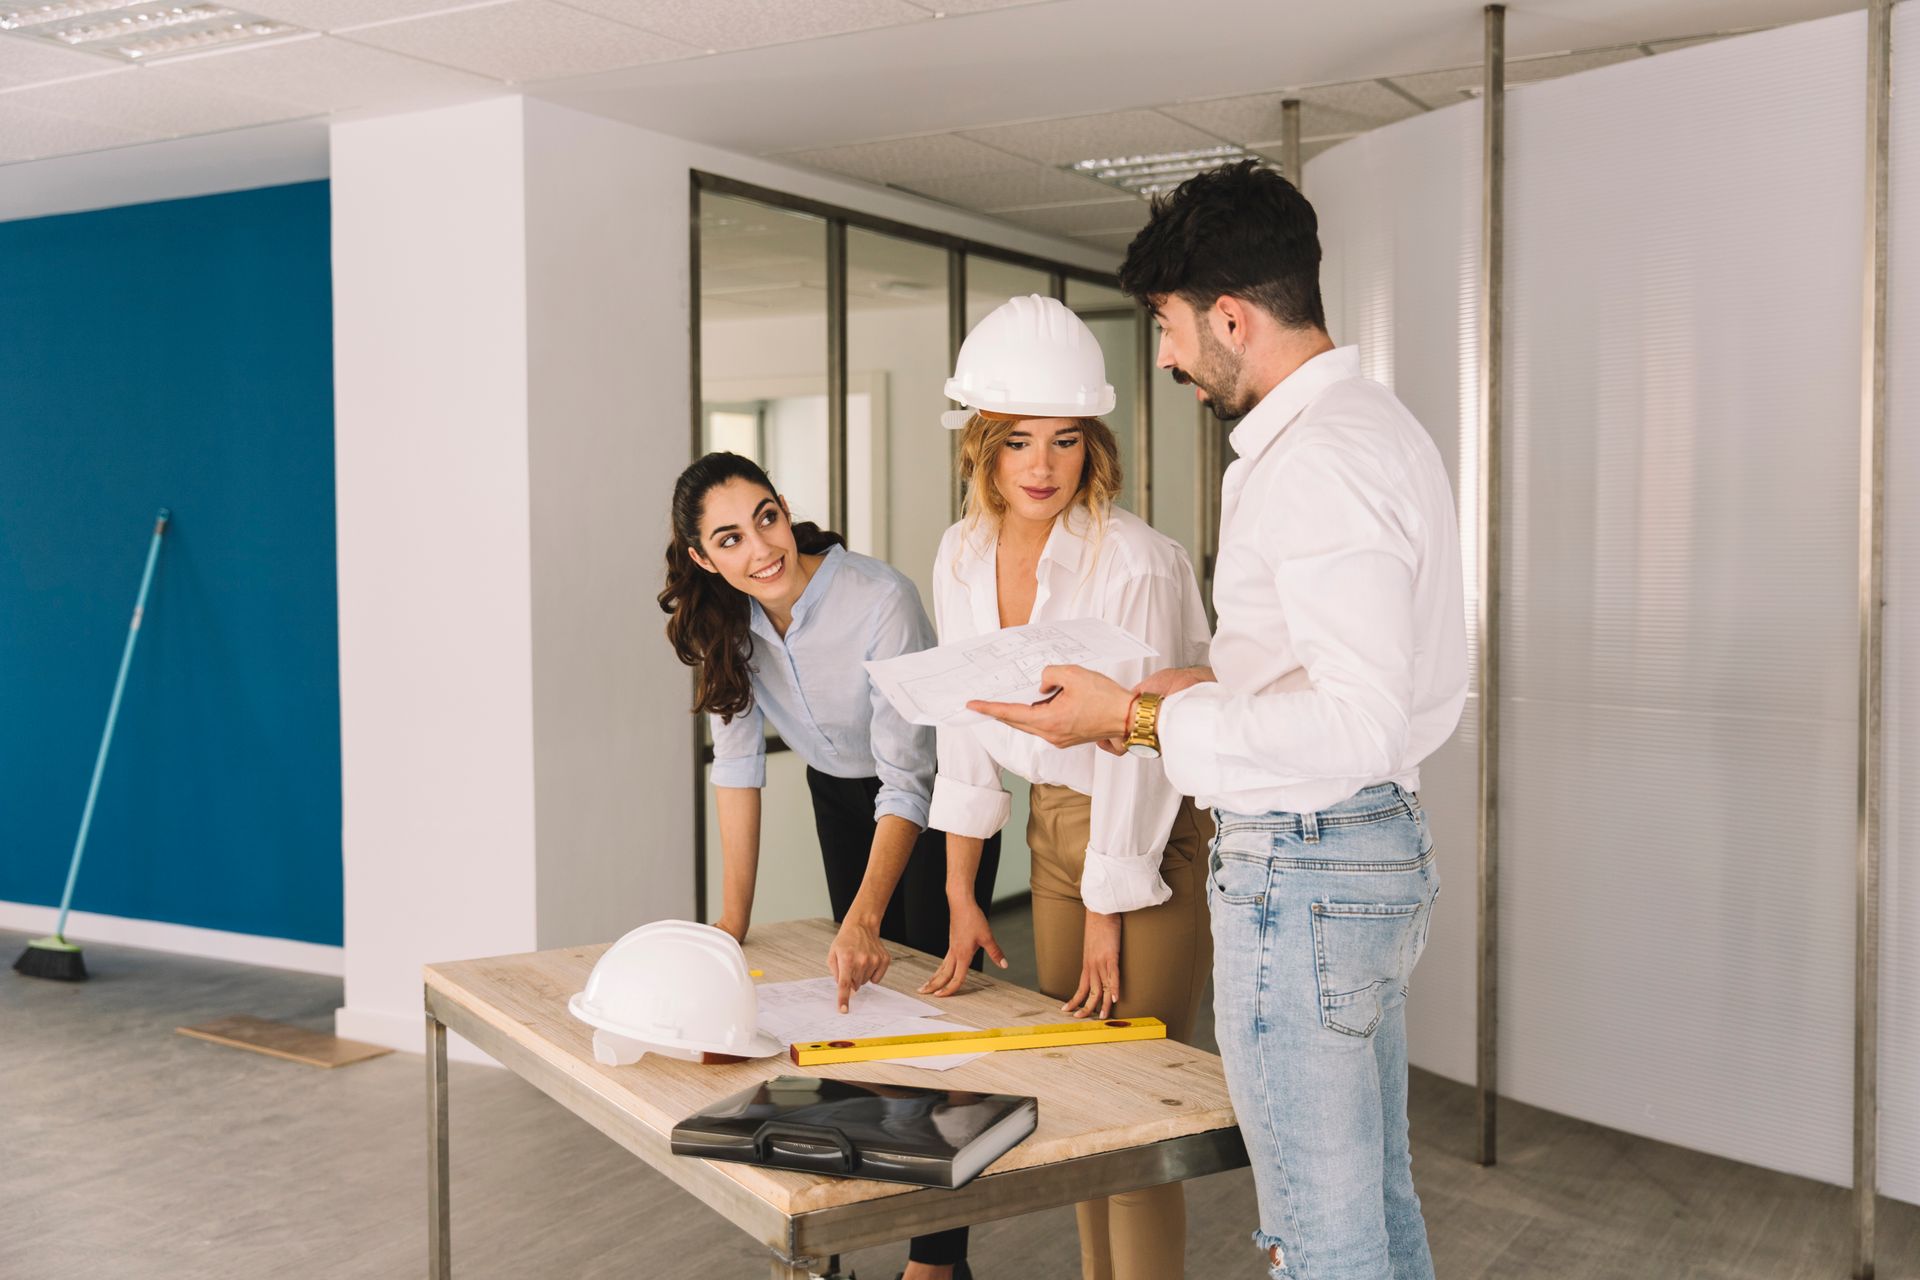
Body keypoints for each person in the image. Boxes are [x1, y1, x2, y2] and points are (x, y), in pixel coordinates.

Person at [966, 163, 1468, 1280]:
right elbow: (1324, 680)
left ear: (1231, 315)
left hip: (1308, 864)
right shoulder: (1365, 426)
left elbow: (1357, 716)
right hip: (1359, 851)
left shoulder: (1318, 461)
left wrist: (1140, 719)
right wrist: (1179, 690)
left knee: (1318, 1235)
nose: (1167, 357)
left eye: (1171, 326)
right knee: (1375, 1212)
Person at [919, 294, 1215, 1280]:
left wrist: (1106, 904)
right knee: (1075, 1109)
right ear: (982, 449)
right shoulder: (959, 555)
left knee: (1130, 1123)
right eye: (1017, 443)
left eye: (1065, 441)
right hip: (1055, 822)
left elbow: (1150, 743)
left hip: (1147, 834)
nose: (1042, 467)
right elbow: (964, 724)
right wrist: (961, 888)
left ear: (1094, 445)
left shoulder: (1136, 561)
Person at [658, 451, 997, 1280]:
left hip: (932, 806)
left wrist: (864, 915)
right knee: (864, 1024)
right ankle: (840, 1235)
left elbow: (909, 776)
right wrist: (728, 931)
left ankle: (935, 1262)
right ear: (704, 558)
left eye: (767, 518)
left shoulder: (879, 598)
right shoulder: (722, 623)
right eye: (730, 539)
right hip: (840, 799)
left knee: (941, 1043)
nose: (761, 549)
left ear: (785, 509)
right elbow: (736, 768)